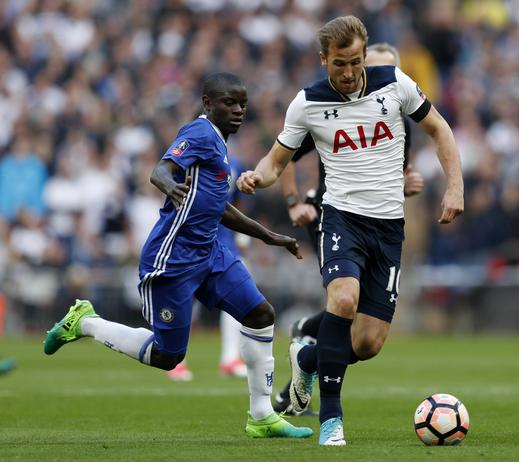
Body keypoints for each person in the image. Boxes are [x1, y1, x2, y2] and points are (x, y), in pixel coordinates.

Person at [43, 73, 313, 439]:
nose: (237, 110)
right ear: (207, 104)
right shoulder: (200, 134)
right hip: (173, 257)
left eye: (242, 104)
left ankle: (262, 415)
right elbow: (162, 169)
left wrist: (269, 236)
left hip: (211, 253)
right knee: (169, 356)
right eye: (228, 103)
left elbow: (220, 207)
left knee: (261, 314)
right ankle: (86, 322)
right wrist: (169, 184)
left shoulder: (219, 144)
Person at [237, 16, 464, 446]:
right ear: (324, 59)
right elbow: (276, 162)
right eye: (340, 63)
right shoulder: (308, 103)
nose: (349, 71)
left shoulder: (394, 83)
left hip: (389, 227)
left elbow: (440, 129)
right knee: (343, 299)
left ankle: (307, 356)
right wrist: (256, 176)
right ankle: (332, 420)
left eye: (356, 62)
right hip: (340, 218)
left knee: (367, 342)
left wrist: (455, 187)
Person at [272, 41, 424, 416]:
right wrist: (295, 202)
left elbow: (389, 173)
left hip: (382, 222)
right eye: (369, 65)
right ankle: (327, 409)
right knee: (345, 302)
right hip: (335, 214)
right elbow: (284, 153)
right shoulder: (328, 107)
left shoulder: (401, 115)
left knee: (364, 331)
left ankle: (306, 347)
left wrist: (402, 184)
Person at [166, 155, 250, 381]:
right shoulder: (187, 160)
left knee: (236, 297)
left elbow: (238, 202)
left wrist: (242, 236)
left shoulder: (235, 163)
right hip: (193, 240)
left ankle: (230, 358)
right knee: (186, 297)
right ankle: (175, 359)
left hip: (225, 241)